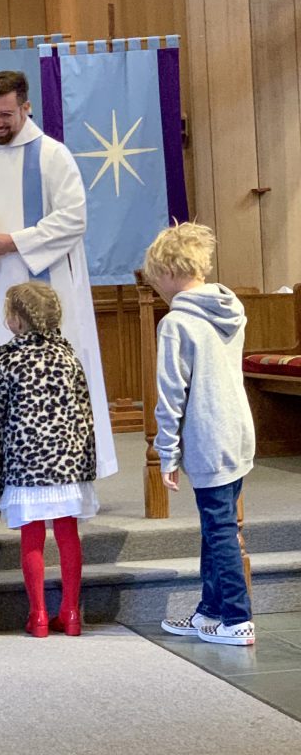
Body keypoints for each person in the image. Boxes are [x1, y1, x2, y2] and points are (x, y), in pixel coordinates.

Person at [0, 70, 117, 514]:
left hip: (45, 287)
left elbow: (73, 219)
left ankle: (71, 478)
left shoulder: (52, 156)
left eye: (5, 114)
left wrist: (12, 241)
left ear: (26, 108)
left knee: (52, 383)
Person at [143, 222, 256, 646]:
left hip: (209, 436)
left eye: (157, 284)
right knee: (217, 524)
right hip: (238, 430)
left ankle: (237, 619)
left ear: (169, 272)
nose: (158, 291)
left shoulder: (176, 323)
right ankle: (210, 611)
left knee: (221, 529)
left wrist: (166, 453)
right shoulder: (232, 308)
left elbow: (172, 394)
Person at [0, 282, 97, 637]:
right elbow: (85, 416)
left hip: (26, 466)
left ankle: (37, 616)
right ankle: (72, 613)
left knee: (32, 537)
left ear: (16, 320)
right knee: (67, 534)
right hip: (67, 464)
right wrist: (86, 467)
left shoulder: (8, 362)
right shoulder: (69, 358)